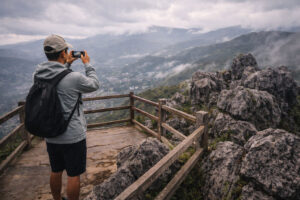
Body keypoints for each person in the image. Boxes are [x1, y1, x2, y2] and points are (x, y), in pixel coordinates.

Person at [33, 34, 100, 200]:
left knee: (56, 170)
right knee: (73, 174)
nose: (68, 52)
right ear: (63, 53)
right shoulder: (74, 78)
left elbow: (57, 78)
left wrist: (67, 63)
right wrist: (87, 64)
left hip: (51, 134)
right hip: (73, 136)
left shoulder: (38, 74)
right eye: (66, 50)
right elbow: (94, 84)